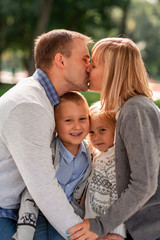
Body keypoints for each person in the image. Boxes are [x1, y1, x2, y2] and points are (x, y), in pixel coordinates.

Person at [0, 29, 93, 239]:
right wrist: (85, 236)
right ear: (61, 60)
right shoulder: (29, 106)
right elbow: (44, 188)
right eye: (85, 59)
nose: (90, 66)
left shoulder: (42, 98)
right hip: (5, 212)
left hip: (24, 208)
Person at [67, 37, 160, 240]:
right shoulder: (123, 110)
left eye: (94, 64)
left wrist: (101, 225)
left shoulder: (136, 110)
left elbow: (144, 185)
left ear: (112, 71)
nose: (88, 69)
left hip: (147, 231)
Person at [12, 91, 97, 240]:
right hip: (39, 214)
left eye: (82, 119)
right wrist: (24, 233)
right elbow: (31, 192)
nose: (77, 126)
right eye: (68, 120)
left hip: (70, 216)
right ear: (55, 126)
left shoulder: (91, 154)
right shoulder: (47, 153)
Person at [84, 101, 126, 239]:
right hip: (94, 225)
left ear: (116, 130)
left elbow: (120, 198)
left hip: (110, 230)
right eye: (91, 132)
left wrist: (117, 232)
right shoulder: (98, 153)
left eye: (102, 130)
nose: (95, 137)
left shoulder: (114, 160)